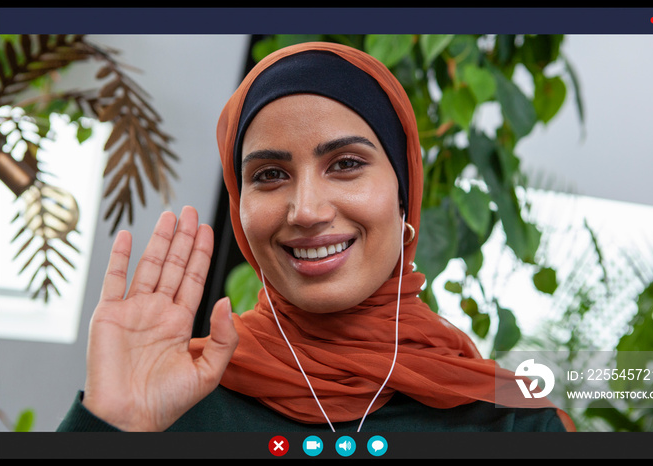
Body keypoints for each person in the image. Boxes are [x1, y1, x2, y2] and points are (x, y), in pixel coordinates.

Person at [57, 42, 574, 432]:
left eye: (346, 164)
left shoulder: (509, 422)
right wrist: (111, 424)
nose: (305, 211)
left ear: (404, 196)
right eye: (269, 175)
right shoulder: (175, 396)